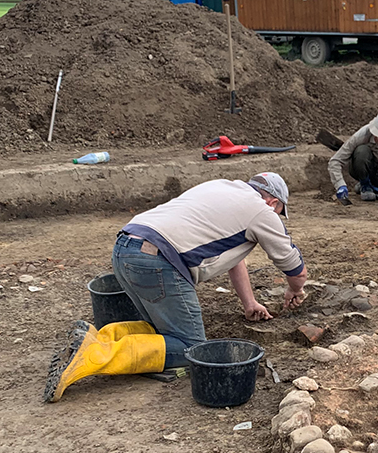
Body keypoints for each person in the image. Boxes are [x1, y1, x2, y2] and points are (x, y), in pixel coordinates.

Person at [43, 172, 307, 403]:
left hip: (127, 247)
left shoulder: (223, 188)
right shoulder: (261, 211)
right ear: (273, 202)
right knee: (190, 348)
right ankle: (93, 354)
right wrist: (295, 289)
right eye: (280, 212)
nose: (278, 218)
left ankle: (100, 336)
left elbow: (234, 259)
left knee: (163, 332)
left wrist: (249, 303)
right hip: (158, 260)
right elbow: (292, 263)